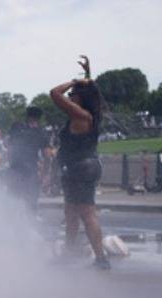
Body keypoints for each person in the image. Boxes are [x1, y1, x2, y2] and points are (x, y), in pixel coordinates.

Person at [50, 56, 110, 270]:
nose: (69, 96)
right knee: (72, 213)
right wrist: (87, 76)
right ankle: (72, 253)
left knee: (85, 214)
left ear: (81, 97)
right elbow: (91, 91)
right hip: (86, 166)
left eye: (72, 94)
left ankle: (101, 259)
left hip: (78, 168)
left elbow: (54, 93)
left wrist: (75, 81)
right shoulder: (90, 114)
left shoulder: (80, 114)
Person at [8, 107, 50, 212]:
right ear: (39, 118)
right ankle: (29, 225)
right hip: (31, 172)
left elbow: (9, 148)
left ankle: (11, 226)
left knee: (13, 201)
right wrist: (45, 174)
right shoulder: (41, 133)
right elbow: (47, 156)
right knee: (31, 203)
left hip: (15, 171)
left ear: (27, 116)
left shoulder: (16, 127)